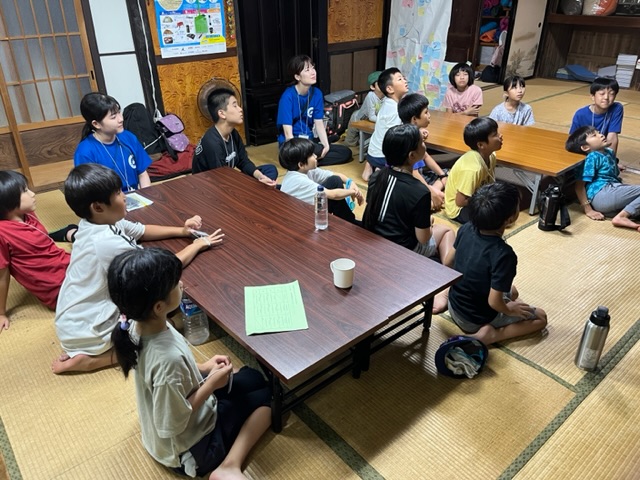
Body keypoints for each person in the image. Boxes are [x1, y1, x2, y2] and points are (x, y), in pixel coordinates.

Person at [109, 248, 271, 479]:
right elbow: (172, 422)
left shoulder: (139, 325)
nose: (182, 284)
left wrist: (204, 368)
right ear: (158, 306)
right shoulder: (167, 360)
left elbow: (172, 372)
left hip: (180, 417)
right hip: (190, 449)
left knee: (253, 378)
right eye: (176, 284)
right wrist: (211, 385)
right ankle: (228, 467)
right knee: (269, 401)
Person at [52, 163, 224, 374]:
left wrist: (183, 230)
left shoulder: (96, 222)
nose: (124, 196)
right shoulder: (104, 242)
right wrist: (198, 245)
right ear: (98, 207)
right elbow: (162, 269)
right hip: (89, 327)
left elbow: (141, 230)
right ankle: (91, 360)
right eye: (118, 193)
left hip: (75, 317)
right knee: (158, 324)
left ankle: (85, 349)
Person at [363, 124, 455, 313]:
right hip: (402, 253)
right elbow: (423, 238)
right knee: (447, 231)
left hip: (373, 244)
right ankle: (446, 285)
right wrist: (428, 223)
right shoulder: (419, 191)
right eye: (422, 143)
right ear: (412, 156)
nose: (425, 145)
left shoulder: (377, 177)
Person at [445, 181, 547, 344]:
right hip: (474, 321)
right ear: (510, 218)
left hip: (454, 306)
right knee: (541, 317)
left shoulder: (466, 228)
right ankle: (492, 336)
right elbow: (494, 302)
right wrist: (509, 310)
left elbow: (447, 262)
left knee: (513, 291)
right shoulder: (503, 255)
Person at [0, 171, 71, 334]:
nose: (32, 194)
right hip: (57, 288)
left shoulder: (27, 214)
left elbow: (42, 240)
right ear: (7, 201)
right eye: (25, 191)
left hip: (68, 265)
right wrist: (1, 313)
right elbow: (2, 276)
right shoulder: (2, 233)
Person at [276, 54, 351, 167]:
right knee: (308, 152)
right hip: (293, 143)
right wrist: (294, 152)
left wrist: (326, 146)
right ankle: (306, 160)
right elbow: (288, 134)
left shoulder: (317, 93)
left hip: (309, 140)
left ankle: (308, 161)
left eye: (313, 68)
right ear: (297, 77)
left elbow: (319, 123)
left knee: (345, 152)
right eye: (307, 70)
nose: (313, 72)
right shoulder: (288, 96)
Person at [192, 88, 277, 185]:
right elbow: (221, 180)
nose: (240, 109)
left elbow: (243, 161)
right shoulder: (212, 143)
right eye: (235, 106)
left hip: (228, 178)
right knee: (268, 186)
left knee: (270, 170)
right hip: (211, 187)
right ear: (222, 114)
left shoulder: (233, 133)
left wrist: (260, 177)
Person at [566, 126, 640, 231]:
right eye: (594, 135)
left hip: (609, 198)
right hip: (602, 193)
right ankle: (621, 217)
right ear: (585, 147)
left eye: (599, 132)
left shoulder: (609, 152)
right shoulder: (592, 157)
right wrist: (588, 210)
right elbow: (579, 186)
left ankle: (623, 216)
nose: (601, 135)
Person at [75, 92, 152, 192]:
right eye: (113, 117)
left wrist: (146, 195)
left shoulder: (128, 137)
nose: (121, 119)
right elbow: (89, 192)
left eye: (119, 112)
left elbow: (142, 174)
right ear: (96, 124)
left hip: (135, 196)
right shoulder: (85, 152)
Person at [279, 138, 363, 224]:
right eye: (311, 155)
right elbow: (333, 195)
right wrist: (353, 192)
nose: (315, 156)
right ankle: (349, 222)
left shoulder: (306, 170)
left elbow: (334, 175)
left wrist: (350, 182)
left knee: (335, 180)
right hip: (300, 220)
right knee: (334, 186)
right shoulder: (297, 180)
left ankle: (347, 220)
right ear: (301, 164)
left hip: (305, 210)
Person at [444, 117, 502, 223]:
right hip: (459, 208)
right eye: (495, 135)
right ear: (481, 145)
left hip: (478, 196)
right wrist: (486, 201)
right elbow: (460, 202)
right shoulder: (473, 169)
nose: (500, 136)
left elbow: (490, 183)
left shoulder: (491, 155)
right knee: (490, 221)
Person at [398, 93, 449, 211]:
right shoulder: (410, 139)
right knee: (422, 203)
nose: (429, 115)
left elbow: (425, 156)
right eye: (426, 112)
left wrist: (442, 175)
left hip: (420, 178)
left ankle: (432, 194)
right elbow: (413, 173)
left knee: (447, 173)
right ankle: (430, 199)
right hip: (410, 182)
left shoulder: (416, 133)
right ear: (414, 119)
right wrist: (432, 193)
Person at [362, 67, 409, 182]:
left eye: (403, 78)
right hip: (382, 156)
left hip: (372, 152)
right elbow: (393, 139)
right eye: (400, 79)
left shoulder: (387, 103)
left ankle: (371, 165)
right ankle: (381, 171)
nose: (405, 81)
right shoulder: (394, 110)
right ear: (390, 89)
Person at [569, 77, 623, 157]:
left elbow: (612, 136)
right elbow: (573, 141)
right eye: (602, 94)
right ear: (592, 96)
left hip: (601, 149)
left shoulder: (616, 108)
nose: (606, 97)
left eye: (611, 94)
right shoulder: (580, 114)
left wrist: (611, 160)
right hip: (584, 151)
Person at [343, 70, 384, 155]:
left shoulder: (386, 96)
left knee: (365, 143)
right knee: (350, 143)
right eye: (380, 83)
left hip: (371, 121)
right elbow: (371, 116)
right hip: (358, 118)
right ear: (372, 87)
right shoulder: (371, 96)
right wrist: (383, 121)